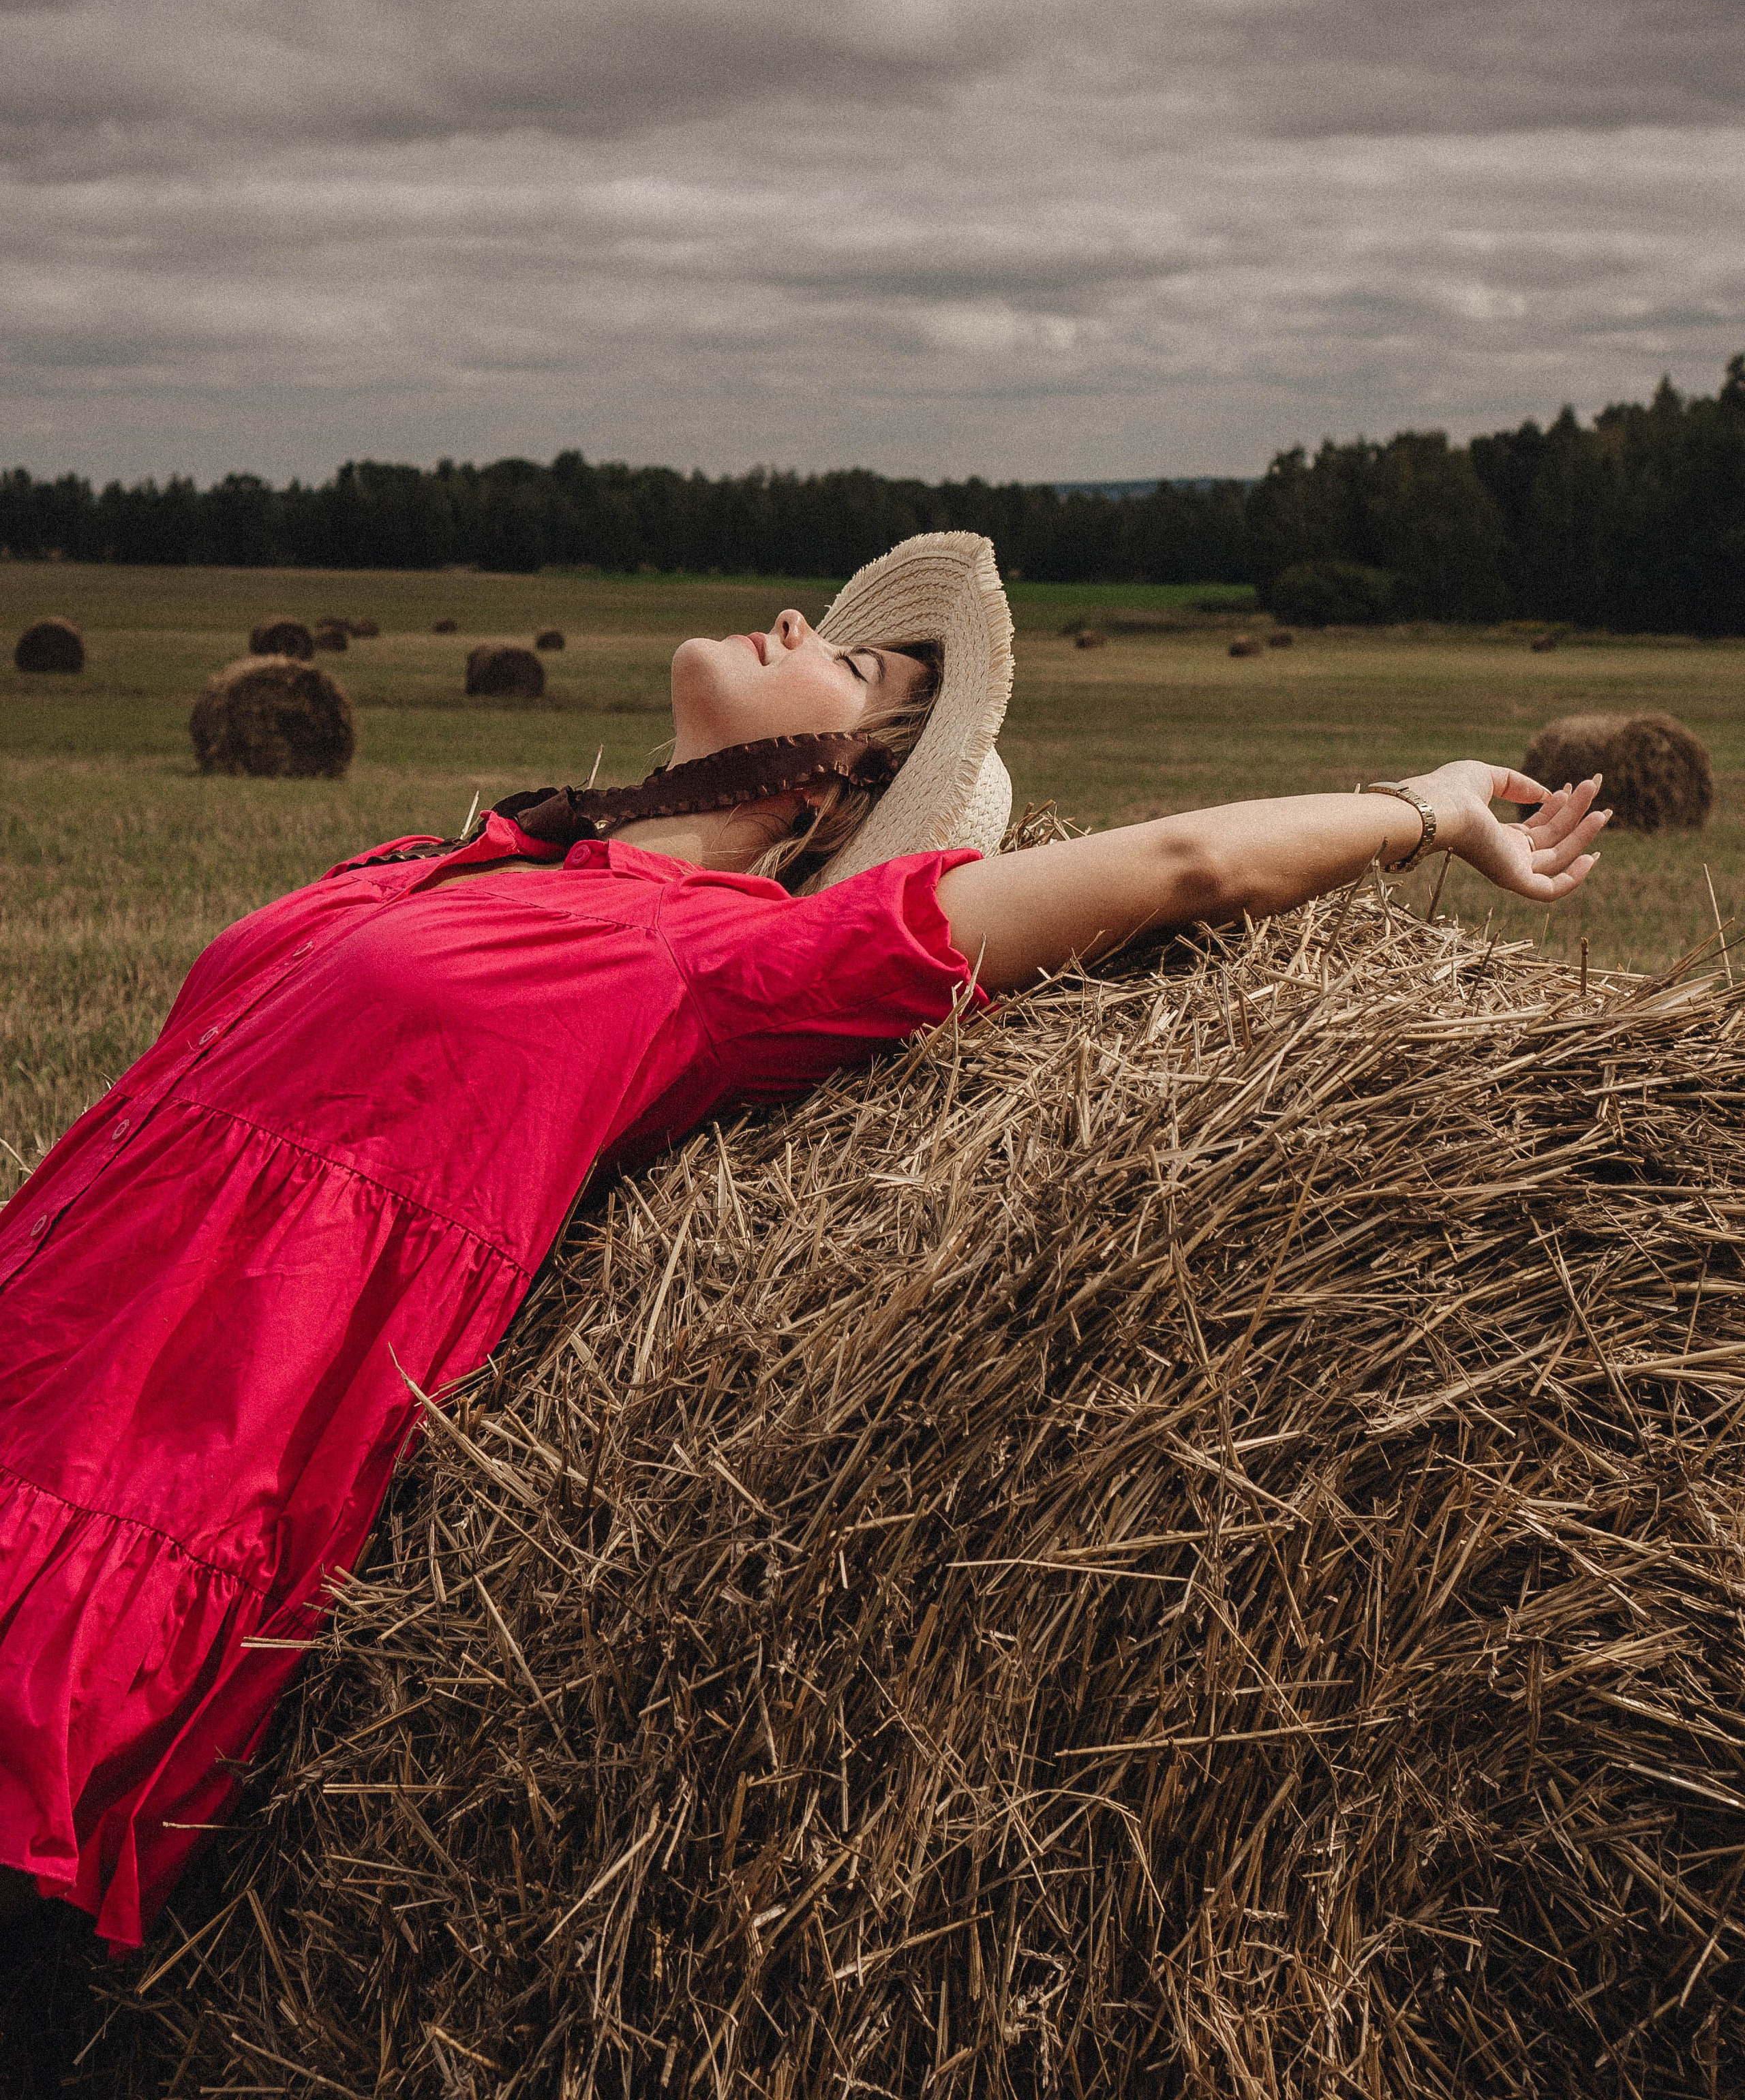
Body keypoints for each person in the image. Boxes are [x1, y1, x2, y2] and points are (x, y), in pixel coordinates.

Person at [0, 534, 1607, 1954]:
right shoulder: (493, 855)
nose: (786, 616)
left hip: (154, 1443)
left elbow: (1178, 868)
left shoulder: (735, 962)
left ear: (830, 787)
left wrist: (1429, 806)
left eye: (843, 659)